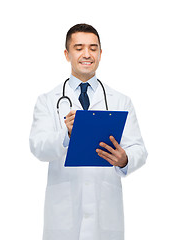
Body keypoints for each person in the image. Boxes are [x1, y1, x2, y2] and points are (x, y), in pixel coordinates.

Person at [29, 23, 148, 240]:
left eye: (93, 48)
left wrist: (125, 159)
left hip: (105, 216)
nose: (87, 54)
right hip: (63, 218)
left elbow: (139, 149)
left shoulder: (120, 101)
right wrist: (66, 136)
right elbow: (38, 146)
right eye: (79, 47)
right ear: (67, 54)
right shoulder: (47, 100)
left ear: (101, 54)